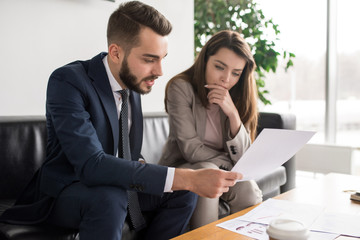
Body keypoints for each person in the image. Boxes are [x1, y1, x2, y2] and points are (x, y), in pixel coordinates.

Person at [0, 2, 242, 240]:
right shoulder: (68, 81)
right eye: (149, 59)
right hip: (66, 190)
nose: (159, 70)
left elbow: (125, 154)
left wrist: (173, 179)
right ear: (116, 52)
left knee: (183, 193)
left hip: (114, 184)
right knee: (112, 196)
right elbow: (91, 165)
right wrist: (187, 176)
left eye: (162, 58)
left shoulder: (133, 85)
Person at [159, 30, 263, 229]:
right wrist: (229, 163)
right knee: (210, 172)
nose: (226, 79)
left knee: (247, 189)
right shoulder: (180, 88)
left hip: (221, 170)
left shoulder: (237, 96)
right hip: (184, 169)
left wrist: (233, 114)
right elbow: (190, 149)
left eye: (235, 73)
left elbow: (245, 158)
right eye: (219, 67)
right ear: (205, 60)